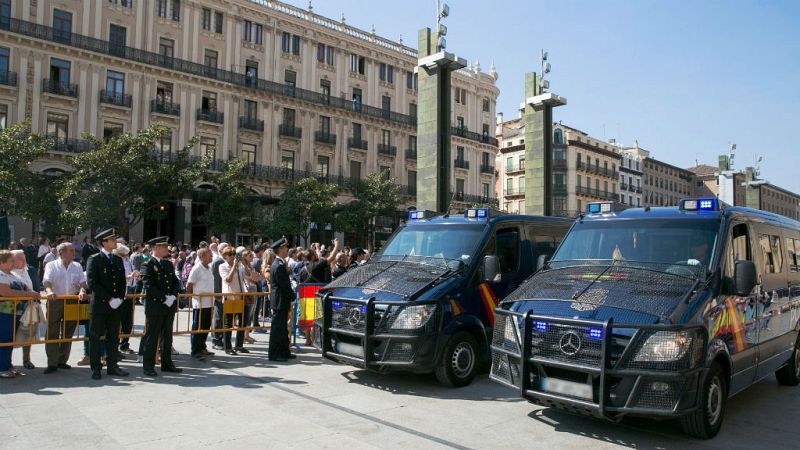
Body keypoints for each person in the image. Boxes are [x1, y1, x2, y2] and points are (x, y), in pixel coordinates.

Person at [85, 228, 129, 380]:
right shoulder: (94, 259)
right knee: (96, 337)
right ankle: (96, 367)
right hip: (100, 305)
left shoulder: (117, 259)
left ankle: (112, 366)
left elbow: (123, 282)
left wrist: (120, 298)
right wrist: (110, 298)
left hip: (115, 305)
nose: (115, 241)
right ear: (104, 242)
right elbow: (92, 283)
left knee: (113, 336)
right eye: (112, 239)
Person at [42, 242, 87, 374]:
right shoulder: (52, 265)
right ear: (61, 252)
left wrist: (82, 291)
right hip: (56, 300)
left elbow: (82, 282)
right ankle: (52, 363)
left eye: (73, 250)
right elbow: (46, 281)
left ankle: (62, 360)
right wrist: (49, 291)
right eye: (71, 250)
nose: (74, 252)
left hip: (72, 300)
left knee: (68, 331)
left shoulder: (77, 266)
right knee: (52, 331)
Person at [141, 236, 182, 377]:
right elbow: (149, 285)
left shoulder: (168, 264)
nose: (167, 249)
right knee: (152, 338)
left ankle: (167, 363)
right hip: (156, 306)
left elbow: (176, 283)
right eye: (164, 247)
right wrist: (164, 297)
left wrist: (172, 296)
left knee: (167, 336)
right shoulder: (147, 264)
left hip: (168, 306)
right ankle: (148, 366)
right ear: (156, 248)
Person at [0, 250, 39, 378]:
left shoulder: (12, 274)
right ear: (2, 262)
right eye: (11, 261)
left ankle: (8, 365)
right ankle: (3, 368)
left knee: (10, 340)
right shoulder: (1, 275)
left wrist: (32, 292)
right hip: (4, 313)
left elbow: (26, 287)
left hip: (15, 313)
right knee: (4, 339)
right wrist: (29, 294)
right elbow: (6, 292)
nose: (13, 263)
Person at [11, 250, 41, 370]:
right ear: (12, 261)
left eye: (24, 258)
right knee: (10, 335)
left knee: (28, 334)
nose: (23, 261)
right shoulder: (7, 272)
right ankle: (8, 362)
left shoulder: (31, 270)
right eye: (20, 259)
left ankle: (26, 359)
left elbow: (37, 286)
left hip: (30, 307)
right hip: (14, 309)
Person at [269, 237, 295, 362]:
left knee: (283, 329)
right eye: (285, 248)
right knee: (277, 329)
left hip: (282, 301)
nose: (287, 249)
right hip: (280, 301)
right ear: (280, 249)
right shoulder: (278, 265)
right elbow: (284, 285)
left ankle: (284, 352)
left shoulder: (280, 263)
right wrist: (293, 295)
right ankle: (275, 354)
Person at [187, 248, 215, 361]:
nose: (212, 257)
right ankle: (195, 350)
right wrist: (195, 297)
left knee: (205, 326)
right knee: (197, 327)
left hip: (209, 302)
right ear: (202, 256)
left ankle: (202, 347)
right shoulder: (197, 268)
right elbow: (189, 285)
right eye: (209, 255)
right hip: (200, 303)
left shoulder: (209, 268)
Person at [219, 246, 247, 355]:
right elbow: (227, 280)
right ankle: (228, 347)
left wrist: (244, 264)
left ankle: (239, 345)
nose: (232, 256)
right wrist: (234, 266)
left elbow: (248, 276)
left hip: (240, 296)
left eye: (234, 254)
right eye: (230, 254)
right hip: (229, 297)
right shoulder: (222, 266)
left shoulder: (240, 266)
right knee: (228, 323)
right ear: (225, 256)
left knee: (242, 322)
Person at [115, 243, 139, 356]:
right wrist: (130, 277)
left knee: (127, 321)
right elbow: (118, 278)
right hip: (121, 293)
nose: (126, 256)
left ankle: (124, 344)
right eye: (123, 254)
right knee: (117, 321)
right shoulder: (116, 261)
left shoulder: (127, 261)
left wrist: (135, 275)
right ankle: (115, 347)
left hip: (130, 291)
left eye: (126, 254)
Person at [210, 243, 229, 350]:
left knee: (223, 318)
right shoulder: (218, 262)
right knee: (218, 317)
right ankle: (216, 340)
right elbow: (216, 280)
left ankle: (221, 338)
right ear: (221, 251)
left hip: (226, 294)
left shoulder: (225, 261)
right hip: (220, 294)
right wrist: (218, 295)